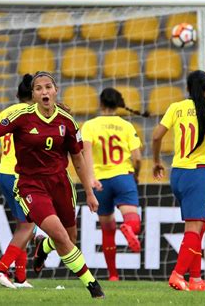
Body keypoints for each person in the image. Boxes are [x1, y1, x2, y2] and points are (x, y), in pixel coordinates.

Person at [0, 71, 105, 299]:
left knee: (68, 237)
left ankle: (43, 248)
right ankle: (93, 286)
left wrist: (89, 192)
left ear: (55, 91)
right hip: (30, 185)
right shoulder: (22, 116)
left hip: (60, 184)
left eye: (48, 87)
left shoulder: (67, 122)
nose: (44, 91)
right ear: (33, 94)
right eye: (39, 88)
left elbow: (78, 160)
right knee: (59, 234)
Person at [152, 70, 205, 292]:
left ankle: (195, 279)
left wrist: (156, 161)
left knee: (199, 226)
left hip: (178, 174)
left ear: (187, 88)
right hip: (198, 173)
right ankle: (177, 275)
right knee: (196, 227)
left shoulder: (176, 108)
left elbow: (156, 136)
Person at [82, 87, 148, 281]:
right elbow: (137, 157)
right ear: (118, 104)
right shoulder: (126, 126)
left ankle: (113, 275)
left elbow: (85, 154)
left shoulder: (89, 126)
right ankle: (128, 228)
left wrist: (91, 178)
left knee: (107, 229)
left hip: (100, 181)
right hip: (122, 177)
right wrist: (135, 175)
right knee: (132, 218)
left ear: (101, 104)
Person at [0, 74, 35, 289]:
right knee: (28, 225)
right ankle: (1, 269)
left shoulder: (6, 112)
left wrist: (3, 160)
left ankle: (21, 278)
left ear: (17, 94)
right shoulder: (32, 114)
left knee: (20, 224)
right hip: (19, 176)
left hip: (5, 174)